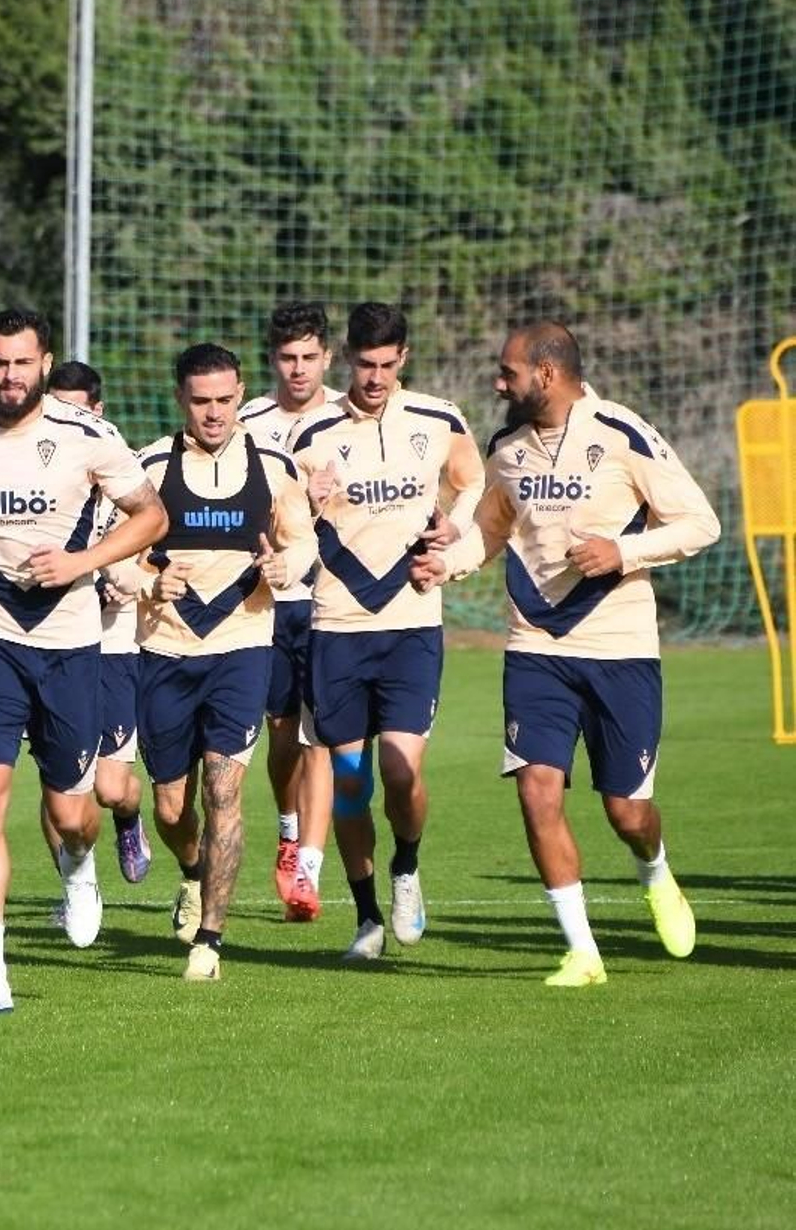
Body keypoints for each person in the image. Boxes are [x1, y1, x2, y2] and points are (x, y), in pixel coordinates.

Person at [409, 321, 717, 986]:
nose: (499, 382)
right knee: (536, 791)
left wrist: (622, 551)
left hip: (622, 649)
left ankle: (656, 872)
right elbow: (488, 533)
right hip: (536, 648)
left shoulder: (621, 433)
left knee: (626, 810)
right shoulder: (508, 449)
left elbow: (701, 522)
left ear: (546, 375)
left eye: (508, 371)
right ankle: (582, 952)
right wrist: (448, 566)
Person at [0, 308, 167, 1014]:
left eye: (21, 362)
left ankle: (79, 865)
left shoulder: (89, 438)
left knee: (71, 812)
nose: (9, 376)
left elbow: (151, 517)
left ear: (44, 362)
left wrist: (81, 560)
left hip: (70, 644)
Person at [289, 302, 484, 962]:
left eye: (386, 365)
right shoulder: (311, 433)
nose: (374, 377)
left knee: (401, 773)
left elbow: (475, 482)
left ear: (403, 358)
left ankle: (406, 866)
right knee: (350, 782)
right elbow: (288, 523)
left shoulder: (438, 419)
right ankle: (367, 918)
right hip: (337, 626)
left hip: (411, 626)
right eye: (364, 365)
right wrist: (311, 504)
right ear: (348, 360)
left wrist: (454, 531)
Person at [131, 344, 315, 980]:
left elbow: (303, 546)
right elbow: (116, 553)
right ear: (182, 399)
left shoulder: (274, 465)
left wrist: (282, 567)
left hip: (242, 644)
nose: (214, 414)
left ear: (241, 395)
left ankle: (210, 939)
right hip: (164, 649)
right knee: (171, 808)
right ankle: (190, 873)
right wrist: (147, 581)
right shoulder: (150, 466)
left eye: (226, 400)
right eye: (201, 401)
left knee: (224, 786)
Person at [238, 303, 342, 923]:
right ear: (271, 360)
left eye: (309, 357)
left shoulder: (348, 418)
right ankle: (287, 830)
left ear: (327, 357)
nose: (298, 369)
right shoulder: (247, 423)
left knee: (320, 736)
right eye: (286, 357)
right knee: (282, 737)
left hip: (333, 601)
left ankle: (309, 866)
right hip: (271, 601)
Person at [36, 360, 154, 893]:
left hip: (111, 644)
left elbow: (152, 549)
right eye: (53, 407)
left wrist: (123, 577)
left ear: (97, 411)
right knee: (55, 777)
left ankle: (130, 819)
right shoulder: (31, 471)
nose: (62, 420)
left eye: (74, 409)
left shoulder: (121, 472)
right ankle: (74, 885)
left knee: (108, 788)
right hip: (50, 641)